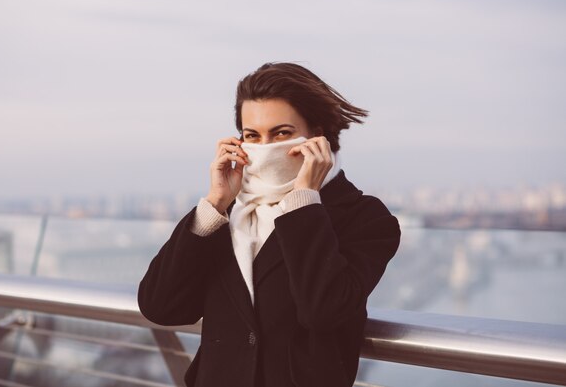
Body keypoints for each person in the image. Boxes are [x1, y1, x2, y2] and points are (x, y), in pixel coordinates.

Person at [138, 62, 401, 387]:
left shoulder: (366, 219)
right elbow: (161, 306)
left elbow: (323, 311)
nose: (264, 148)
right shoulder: (228, 211)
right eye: (252, 136)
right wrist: (215, 204)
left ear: (317, 137)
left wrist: (304, 200)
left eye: (281, 133)